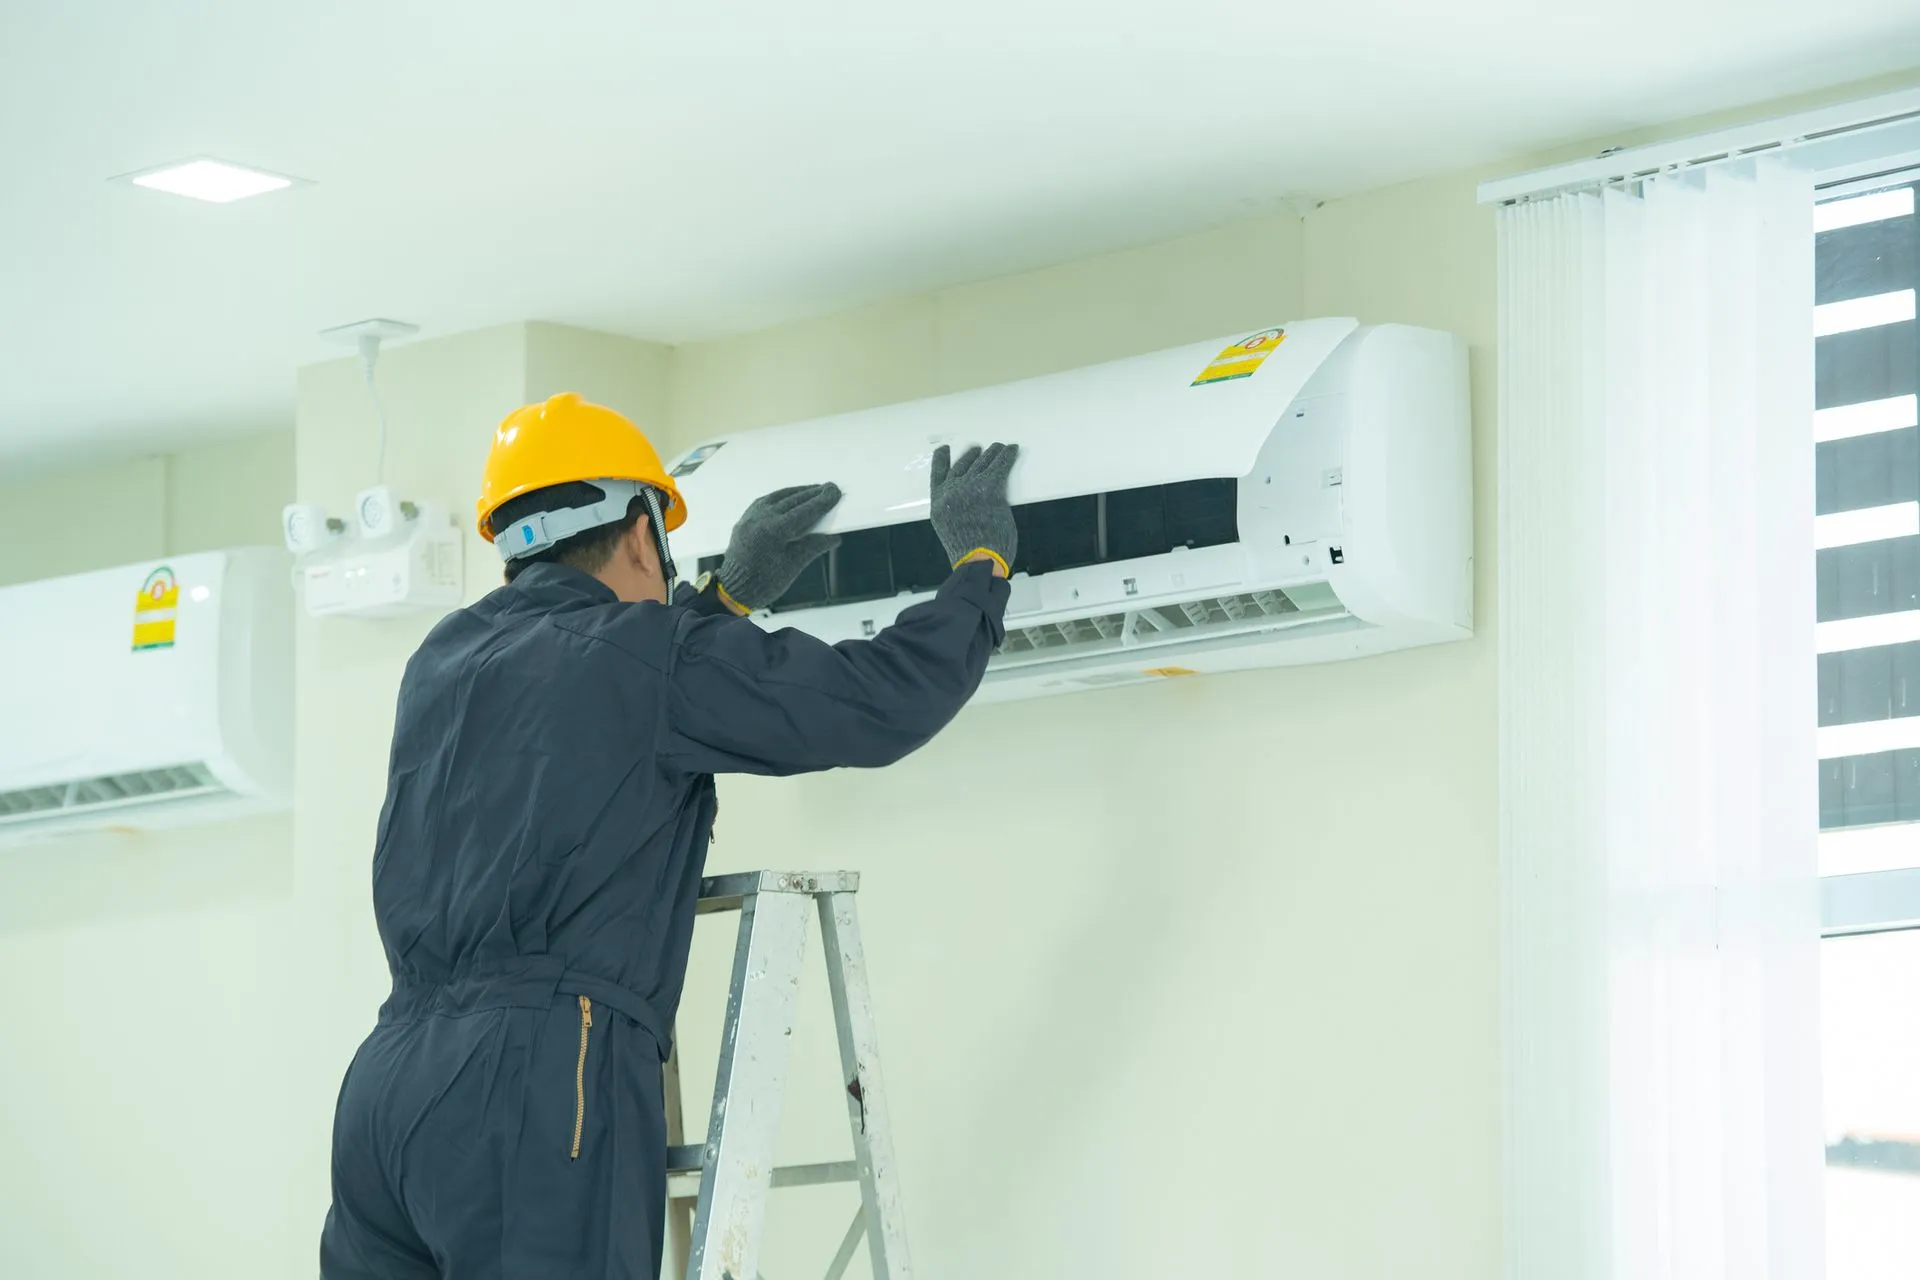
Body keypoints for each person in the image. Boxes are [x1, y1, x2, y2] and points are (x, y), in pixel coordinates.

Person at [318, 391, 1019, 1280]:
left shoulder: (443, 662)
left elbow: (601, 709)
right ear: (644, 534)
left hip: (387, 1088)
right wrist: (980, 569)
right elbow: (877, 701)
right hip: (540, 1074)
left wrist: (722, 600)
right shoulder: (646, 652)